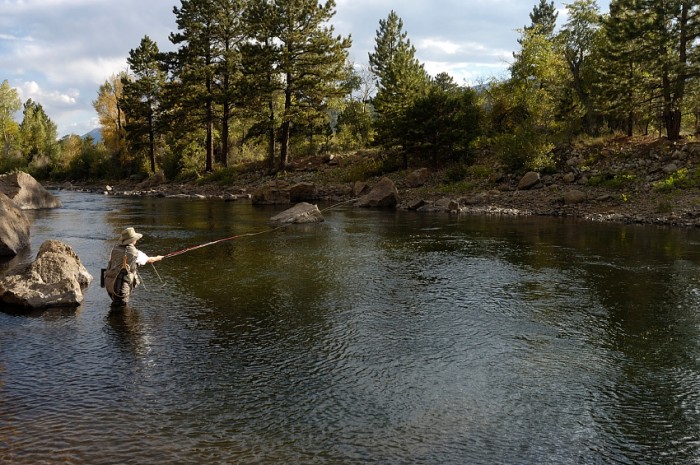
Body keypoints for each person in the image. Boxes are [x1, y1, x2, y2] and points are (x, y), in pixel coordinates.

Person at [104, 227, 163, 306]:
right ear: (133, 240)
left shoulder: (114, 249)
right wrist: (158, 258)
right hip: (122, 287)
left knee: (115, 304)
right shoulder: (135, 253)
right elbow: (149, 260)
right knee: (123, 309)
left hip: (109, 283)